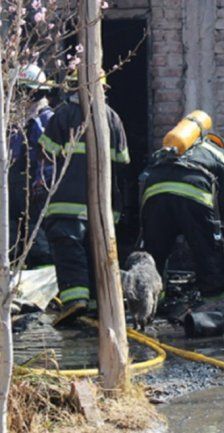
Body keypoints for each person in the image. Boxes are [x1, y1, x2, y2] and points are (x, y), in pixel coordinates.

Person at [40, 73, 130, 325]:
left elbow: (46, 154)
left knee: (68, 246)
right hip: (104, 205)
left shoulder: (63, 115)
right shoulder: (113, 118)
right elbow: (123, 162)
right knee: (97, 252)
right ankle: (95, 304)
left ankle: (75, 300)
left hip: (67, 202)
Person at [140, 131, 224, 301]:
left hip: (155, 192)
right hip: (193, 194)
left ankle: (154, 300)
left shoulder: (170, 149)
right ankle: (214, 304)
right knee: (207, 251)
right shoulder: (218, 154)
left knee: (155, 253)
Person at [8, 64, 55, 269]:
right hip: (17, 194)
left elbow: (49, 160)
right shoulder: (20, 122)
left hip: (35, 193)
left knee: (39, 246)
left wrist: (40, 185)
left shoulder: (46, 120)